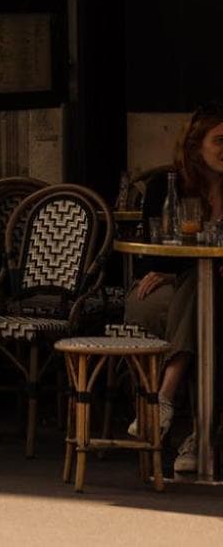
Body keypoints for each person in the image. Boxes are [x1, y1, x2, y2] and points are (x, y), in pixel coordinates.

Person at [124, 103, 223, 473]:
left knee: (205, 300)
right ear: (195, 146)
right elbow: (150, 258)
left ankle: (164, 400)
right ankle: (201, 437)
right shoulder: (166, 186)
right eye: (220, 140)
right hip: (160, 291)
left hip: (209, 290)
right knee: (201, 308)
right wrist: (174, 274)